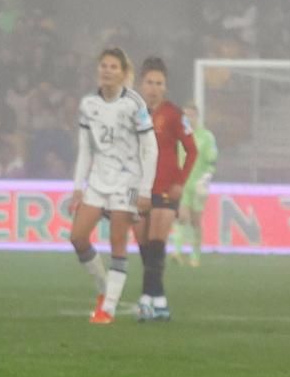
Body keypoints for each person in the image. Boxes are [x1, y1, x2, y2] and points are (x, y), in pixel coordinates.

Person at [69, 47, 157, 325]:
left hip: (128, 181)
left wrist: (145, 190)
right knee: (78, 237)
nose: (107, 70)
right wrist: (77, 186)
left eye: (113, 67)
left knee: (118, 241)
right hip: (98, 180)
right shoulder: (89, 105)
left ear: (123, 73)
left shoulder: (134, 104)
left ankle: (107, 309)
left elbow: (150, 149)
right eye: (104, 65)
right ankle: (105, 290)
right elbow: (85, 149)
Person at [133, 57, 196, 321]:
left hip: (166, 188)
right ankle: (159, 300)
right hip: (137, 189)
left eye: (159, 83)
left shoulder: (174, 114)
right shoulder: (132, 112)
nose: (153, 88)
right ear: (141, 83)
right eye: (149, 82)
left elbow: (192, 150)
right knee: (145, 247)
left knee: (157, 244)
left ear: (165, 87)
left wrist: (180, 182)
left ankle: (146, 300)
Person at [169, 104, 217, 267]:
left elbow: (212, 161)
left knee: (196, 222)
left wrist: (206, 178)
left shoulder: (207, 136)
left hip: (198, 185)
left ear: (197, 117)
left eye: (191, 115)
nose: (188, 118)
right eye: (185, 115)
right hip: (182, 184)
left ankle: (195, 255)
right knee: (181, 217)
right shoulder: (179, 136)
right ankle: (176, 251)